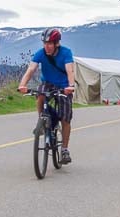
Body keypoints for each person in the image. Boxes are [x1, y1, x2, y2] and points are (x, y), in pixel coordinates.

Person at [18, 28, 76, 164]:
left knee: (65, 119)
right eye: (45, 43)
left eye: (50, 43)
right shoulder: (41, 53)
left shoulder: (66, 53)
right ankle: (42, 121)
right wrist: (22, 85)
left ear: (57, 43)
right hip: (48, 83)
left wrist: (71, 86)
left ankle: (65, 150)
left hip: (64, 85)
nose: (47, 46)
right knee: (40, 94)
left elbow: (70, 70)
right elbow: (31, 70)